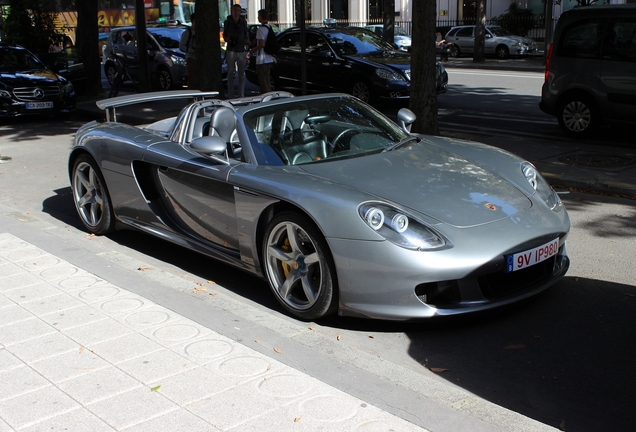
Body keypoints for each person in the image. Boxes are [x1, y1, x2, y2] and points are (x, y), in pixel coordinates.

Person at [223, 4, 249, 98]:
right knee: (230, 73)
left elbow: (246, 34)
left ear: (240, 12)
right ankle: (231, 95)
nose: (236, 12)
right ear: (232, 11)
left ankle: (241, 95)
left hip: (241, 50)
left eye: (238, 10)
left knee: (241, 75)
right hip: (231, 50)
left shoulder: (243, 22)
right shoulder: (228, 22)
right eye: (234, 10)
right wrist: (227, 39)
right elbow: (224, 35)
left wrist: (246, 41)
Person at [247, 9, 274, 94]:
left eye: (258, 16)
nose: (258, 18)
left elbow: (262, 44)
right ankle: (270, 95)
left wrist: (252, 50)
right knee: (267, 80)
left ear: (262, 17)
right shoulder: (269, 28)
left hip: (262, 59)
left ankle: (267, 97)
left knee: (263, 82)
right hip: (268, 58)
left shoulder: (261, 29)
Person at [179, 13, 196, 88]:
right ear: (193, 21)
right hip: (191, 57)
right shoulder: (188, 32)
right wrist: (191, 51)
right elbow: (181, 45)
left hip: (197, 58)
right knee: (192, 78)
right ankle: (191, 97)